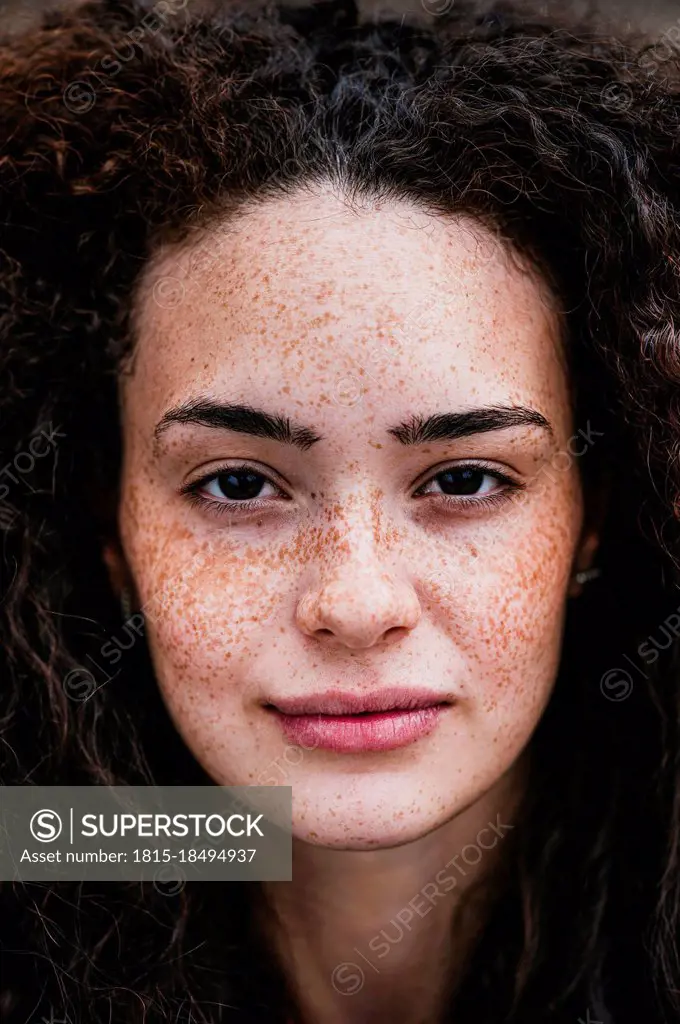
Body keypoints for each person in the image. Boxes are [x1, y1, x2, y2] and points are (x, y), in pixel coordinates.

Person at [1, 0, 679, 1021]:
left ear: (590, 512)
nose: (355, 603)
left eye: (462, 480)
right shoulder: (40, 867)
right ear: (110, 526)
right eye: (237, 484)